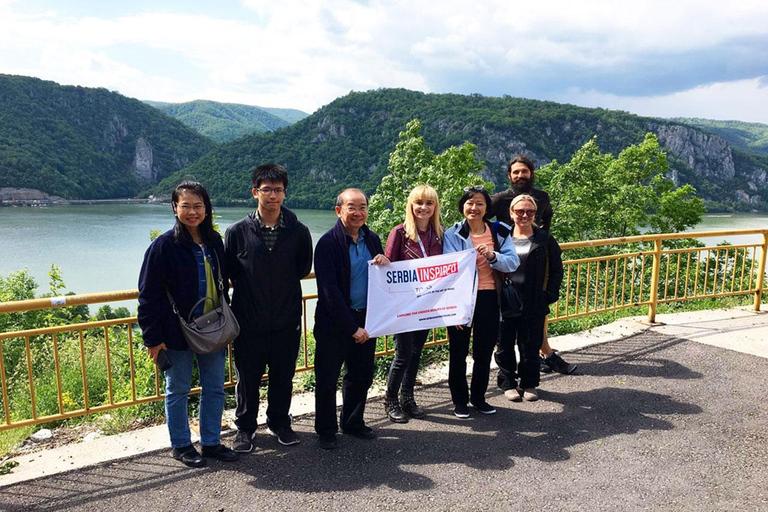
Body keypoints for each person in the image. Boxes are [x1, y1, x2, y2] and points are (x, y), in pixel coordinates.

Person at [138, 181, 239, 468]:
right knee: (178, 389)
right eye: (186, 206)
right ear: (175, 208)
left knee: (215, 388)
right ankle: (181, 444)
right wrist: (153, 339)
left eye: (198, 206)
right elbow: (148, 296)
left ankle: (210, 442)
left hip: (213, 328)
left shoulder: (214, 241)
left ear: (207, 209)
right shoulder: (163, 246)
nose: (192, 212)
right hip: (176, 333)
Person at [224, 164, 313, 452]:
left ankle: (279, 423)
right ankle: (245, 429)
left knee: (282, 377)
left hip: (287, 320)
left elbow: (302, 268)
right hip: (249, 322)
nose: (273, 195)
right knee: (247, 379)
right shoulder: (237, 232)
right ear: (255, 192)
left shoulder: (299, 232)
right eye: (267, 190)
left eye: (278, 190)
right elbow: (230, 272)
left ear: (285, 193)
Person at [313, 188, 390, 449]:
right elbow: (329, 291)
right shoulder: (327, 243)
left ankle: (353, 421)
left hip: (367, 319)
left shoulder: (372, 239)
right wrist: (351, 328)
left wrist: (383, 260)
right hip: (334, 324)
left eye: (363, 207)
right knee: (327, 377)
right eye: (352, 207)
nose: (358, 212)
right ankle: (325, 429)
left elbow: (380, 277)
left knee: (361, 375)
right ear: (339, 210)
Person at [489, 154, 576, 375]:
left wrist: (541, 241)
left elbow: (547, 220)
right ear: (509, 175)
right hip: (506, 266)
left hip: (536, 261)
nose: (520, 176)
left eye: (524, 171)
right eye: (516, 172)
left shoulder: (542, 197)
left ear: (531, 174)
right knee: (507, 321)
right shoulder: (499, 200)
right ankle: (533, 362)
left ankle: (538, 360)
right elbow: (477, 216)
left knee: (536, 314)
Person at [443, 185, 520, 418]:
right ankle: (460, 401)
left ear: (487, 207)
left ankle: (478, 398)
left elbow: (513, 262)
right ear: (462, 206)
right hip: (462, 299)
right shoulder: (452, 233)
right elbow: (449, 270)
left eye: (479, 203)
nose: (474, 207)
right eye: (469, 202)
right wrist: (454, 308)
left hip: (489, 298)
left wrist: (493, 256)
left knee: (483, 352)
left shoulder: (500, 231)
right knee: (457, 352)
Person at [494, 195, 564, 402]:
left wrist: (548, 296)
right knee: (504, 345)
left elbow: (556, 271)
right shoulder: (500, 238)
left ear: (535, 214)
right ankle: (508, 383)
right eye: (520, 211)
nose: (524, 215)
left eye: (529, 212)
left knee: (530, 346)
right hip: (505, 300)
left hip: (534, 300)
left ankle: (529, 383)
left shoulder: (545, 239)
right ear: (511, 213)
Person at [383, 185, 444, 423]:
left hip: (427, 304)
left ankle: (408, 397)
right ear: (411, 205)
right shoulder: (399, 233)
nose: (423, 207)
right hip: (404, 305)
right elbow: (388, 265)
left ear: (435, 207)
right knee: (402, 354)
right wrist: (382, 260)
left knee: (416, 352)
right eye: (419, 203)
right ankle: (391, 400)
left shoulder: (439, 233)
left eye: (429, 203)